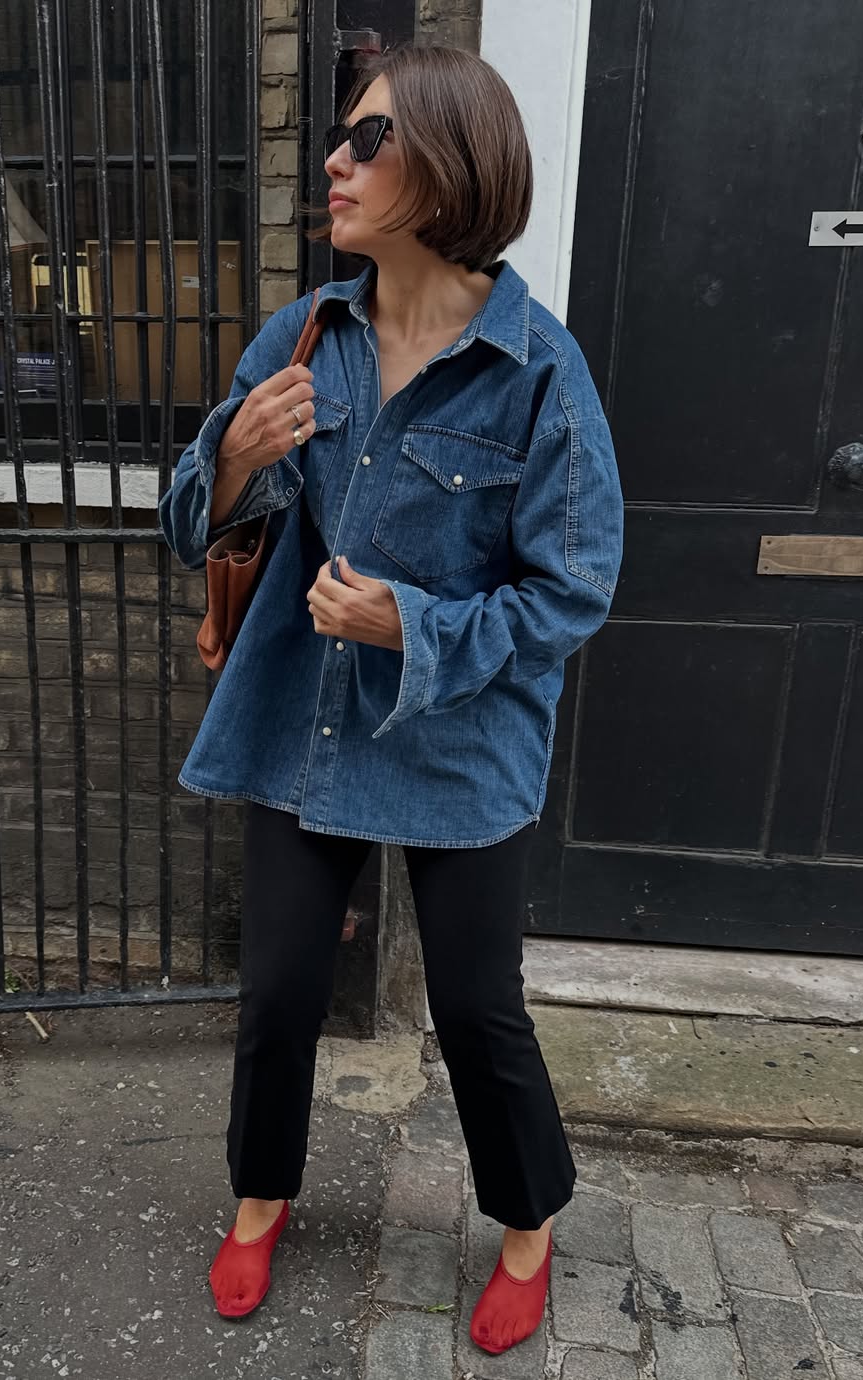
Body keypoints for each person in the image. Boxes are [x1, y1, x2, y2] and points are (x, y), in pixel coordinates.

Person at [158, 41, 624, 1357]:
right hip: (302, 725)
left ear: (450, 166)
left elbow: (572, 589)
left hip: (458, 740)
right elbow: (194, 525)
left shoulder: (538, 371)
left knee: (478, 1007)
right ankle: (262, 1195)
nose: (336, 162)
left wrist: (407, 623)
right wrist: (236, 457)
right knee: (282, 991)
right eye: (339, 138)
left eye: (371, 141)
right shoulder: (304, 336)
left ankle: (526, 1222)